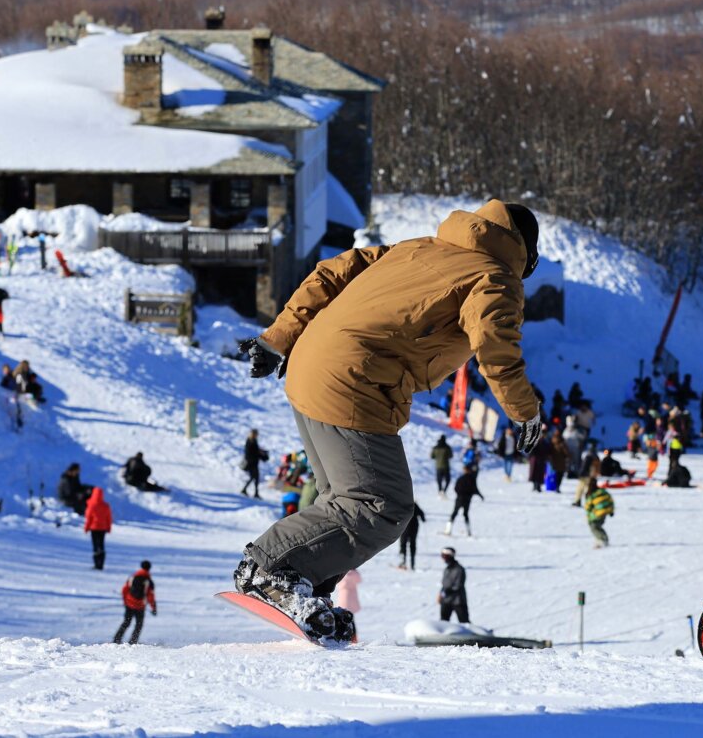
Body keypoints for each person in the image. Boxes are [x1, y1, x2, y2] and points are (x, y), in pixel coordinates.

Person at [233, 200, 543, 640]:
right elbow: (496, 347)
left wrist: (279, 338)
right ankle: (268, 570)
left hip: (311, 364)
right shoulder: (494, 277)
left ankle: (303, 587)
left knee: (343, 499)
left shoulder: (419, 247)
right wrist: (525, 411)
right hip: (353, 380)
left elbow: (332, 272)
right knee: (381, 505)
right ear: (526, 254)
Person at [114, 561, 157, 645]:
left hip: (129, 603)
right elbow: (150, 596)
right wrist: (153, 608)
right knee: (138, 625)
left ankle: (116, 639)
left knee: (126, 622)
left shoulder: (133, 577)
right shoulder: (149, 581)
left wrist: (125, 601)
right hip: (140, 606)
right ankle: (133, 641)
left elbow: (124, 590)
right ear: (149, 568)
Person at [445, 466, 484, 536]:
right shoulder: (472, 479)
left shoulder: (461, 479)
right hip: (467, 499)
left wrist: (459, 494)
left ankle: (448, 530)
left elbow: (456, 488)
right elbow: (475, 489)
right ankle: (469, 531)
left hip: (459, 498)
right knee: (465, 514)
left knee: (454, 513)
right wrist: (480, 495)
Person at [438, 547, 469, 623]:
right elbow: (444, 584)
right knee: (444, 621)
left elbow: (458, 585)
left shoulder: (459, 569)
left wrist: (446, 592)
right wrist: (441, 594)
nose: (443, 558)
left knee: (464, 621)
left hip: (458, 601)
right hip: (446, 600)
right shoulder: (447, 569)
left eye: (445, 556)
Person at [84, 487, 112, 570]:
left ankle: (96, 563)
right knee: (101, 545)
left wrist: (86, 527)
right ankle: (101, 563)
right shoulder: (106, 506)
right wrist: (108, 527)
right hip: (103, 528)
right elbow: (109, 518)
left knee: (95, 545)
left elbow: (89, 518)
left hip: (94, 528)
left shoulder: (91, 505)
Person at [584, 480, 614, 548]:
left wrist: (588, 513)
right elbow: (610, 501)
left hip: (597, 513)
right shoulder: (603, 492)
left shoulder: (591, 494)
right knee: (597, 526)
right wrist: (611, 511)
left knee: (594, 526)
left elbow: (588, 506)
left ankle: (602, 540)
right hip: (604, 513)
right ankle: (603, 539)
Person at [241, 429, 269, 498]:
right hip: (251, 463)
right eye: (256, 434)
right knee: (254, 477)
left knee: (255, 477)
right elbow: (252, 453)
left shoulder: (253, 441)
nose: (257, 435)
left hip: (254, 463)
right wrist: (261, 454)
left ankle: (253, 492)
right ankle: (249, 491)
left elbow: (256, 451)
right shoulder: (250, 442)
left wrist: (261, 452)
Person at [398, 502, 425, 570]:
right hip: (414, 527)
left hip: (405, 527)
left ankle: (403, 562)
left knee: (403, 544)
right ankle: (412, 564)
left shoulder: (403, 504)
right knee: (413, 544)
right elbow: (421, 513)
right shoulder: (415, 505)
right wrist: (423, 519)